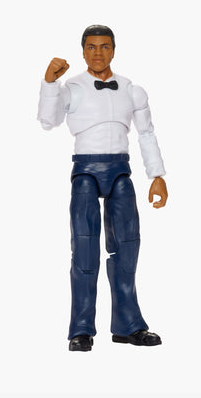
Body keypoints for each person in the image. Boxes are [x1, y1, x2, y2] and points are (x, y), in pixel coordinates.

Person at [37, 25, 168, 351]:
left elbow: (146, 133)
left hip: (121, 170)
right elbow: (48, 121)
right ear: (83, 51)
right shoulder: (72, 87)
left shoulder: (131, 89)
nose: (98, 53)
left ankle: (128, 324)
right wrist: (50, 83)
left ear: (113, 50)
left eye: (105, 46)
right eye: (92, 47)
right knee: (84, 251)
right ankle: (81, 329)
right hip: (85, 170)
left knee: (128, 247)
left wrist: (157, 175)